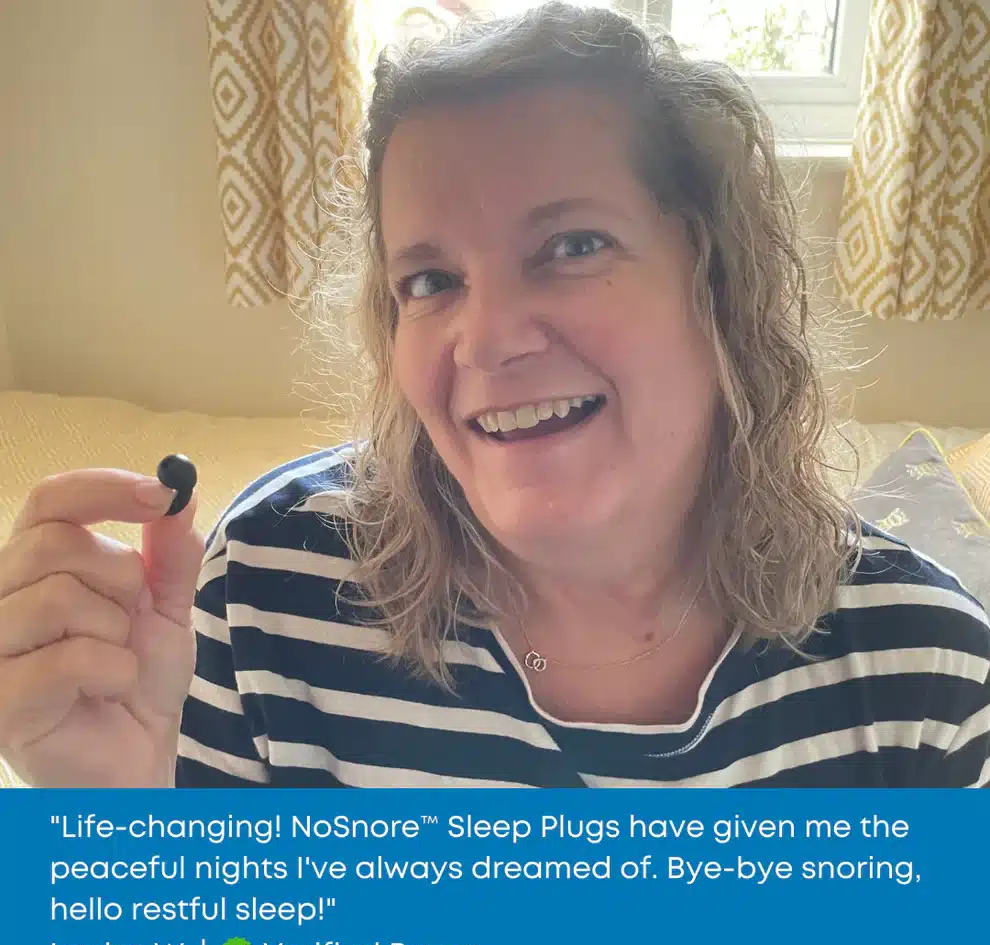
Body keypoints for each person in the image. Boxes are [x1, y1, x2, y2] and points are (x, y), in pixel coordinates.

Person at [1, 2, 988, 789]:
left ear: (717, 285)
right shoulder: (272, 585)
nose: (486, 339)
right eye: (431, 281)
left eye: (572, 246)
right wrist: (117, 815)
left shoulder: (924, 675)